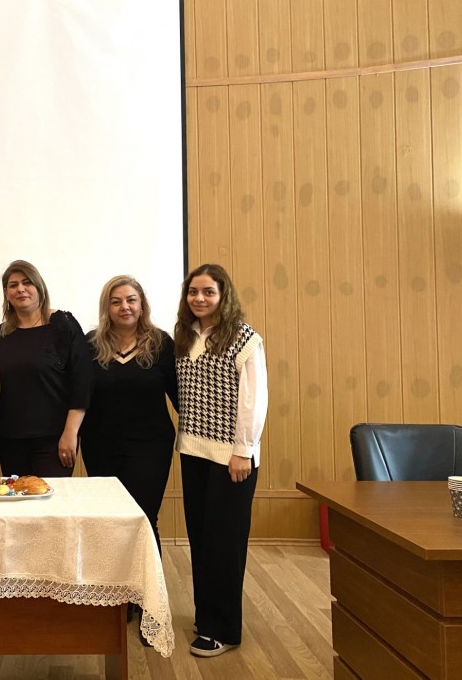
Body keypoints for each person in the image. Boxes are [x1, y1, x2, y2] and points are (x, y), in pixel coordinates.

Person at [173, 264, 268, 658]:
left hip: (232, 457)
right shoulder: (185, 335)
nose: (200, 298)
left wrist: (243, 450)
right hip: (193, 451)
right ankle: (206, 616)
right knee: (201, 538)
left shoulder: (244, 338)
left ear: (223, 295)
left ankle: (224, 630)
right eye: (193, 292)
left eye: (208, 292)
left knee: (225, 543)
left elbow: (253, 399)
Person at [80, 275, 178, 554]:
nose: (124, 307)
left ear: (141, 304)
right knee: (107, 519)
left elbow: (180, 397)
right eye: (116, 302)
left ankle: (147, 584)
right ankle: (110, 583)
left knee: (143, 519)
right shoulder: (91, 344)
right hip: (100, 447)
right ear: (107, 308)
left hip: (150, 448)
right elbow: (80, 395)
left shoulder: (161, 343)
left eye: (131, 300)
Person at [0, 260, 91, 477]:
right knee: (18, 498)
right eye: (13, 285)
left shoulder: (63, 325)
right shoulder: (0, 336)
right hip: (11, 440)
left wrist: (70, 433)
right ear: (6, 293)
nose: (20, 289)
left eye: (27, 282)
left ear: (39, 287)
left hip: (55, 439)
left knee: (51, 498)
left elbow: (83, 381)